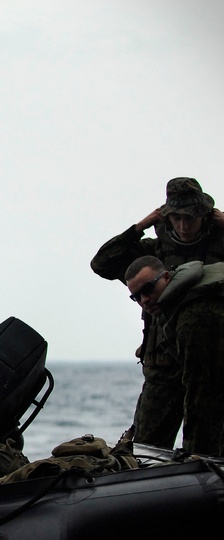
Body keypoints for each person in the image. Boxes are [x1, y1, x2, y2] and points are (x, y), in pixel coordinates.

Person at [91, 177, 224, 448]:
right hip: (164, 365)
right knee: (145, 447)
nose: (184, 226)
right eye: (176, 218)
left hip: (210, 366)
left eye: (191, 218)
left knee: (208, 450)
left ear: (204, 216)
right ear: (167, 217)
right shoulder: (155, 253)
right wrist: (140, 226)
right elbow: (102, 264)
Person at [124, 255, 224, 457]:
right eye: (136, 297)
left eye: (148, 289)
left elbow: (202, 393)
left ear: (167, 278)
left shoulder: (193, 317)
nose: (144, 300)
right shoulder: (179, 306)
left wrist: (196, 458)